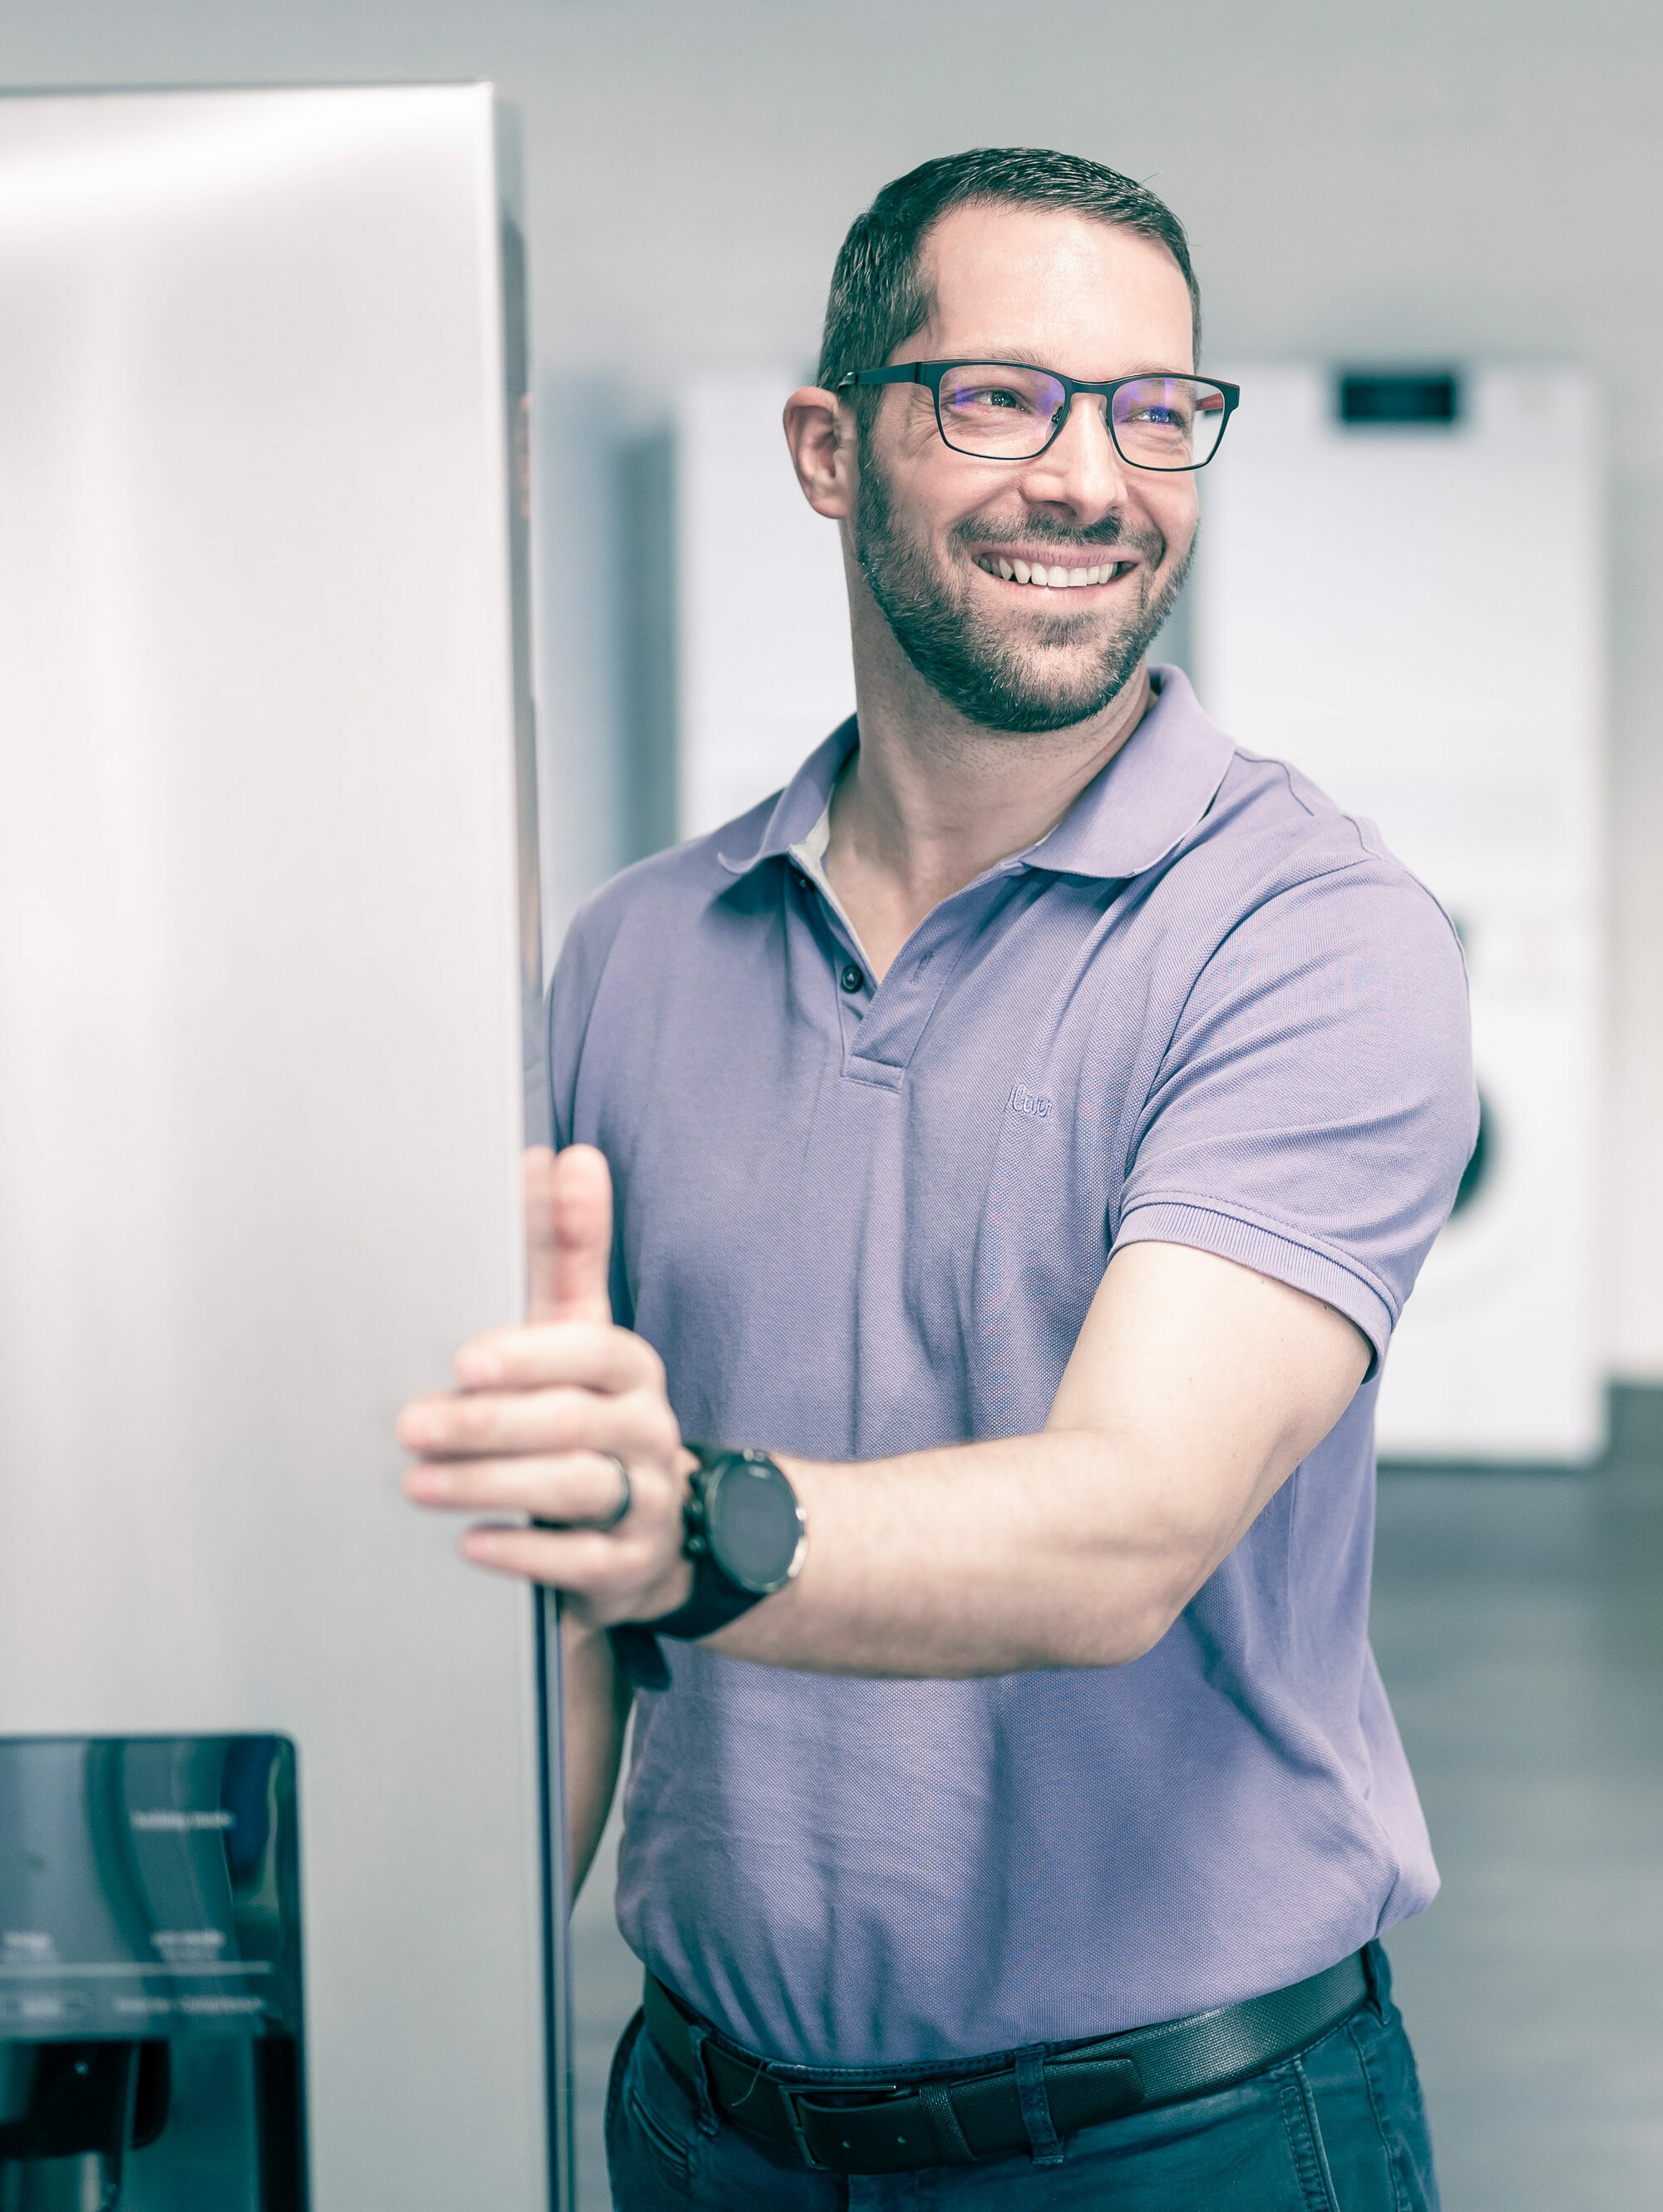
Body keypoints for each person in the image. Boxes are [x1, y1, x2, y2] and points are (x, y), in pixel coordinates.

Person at [399, 146, 1473, 2209]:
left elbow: (1125, 1534)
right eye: (1003, 396)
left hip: (1183, 2142)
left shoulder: (1311, 934)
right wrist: (414, 2003)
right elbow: (576, 1614)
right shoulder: (638, 951)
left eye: (1158, 411)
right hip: (708, 2129)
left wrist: (683, 1525)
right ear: (830, 444)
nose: (1093, 478)